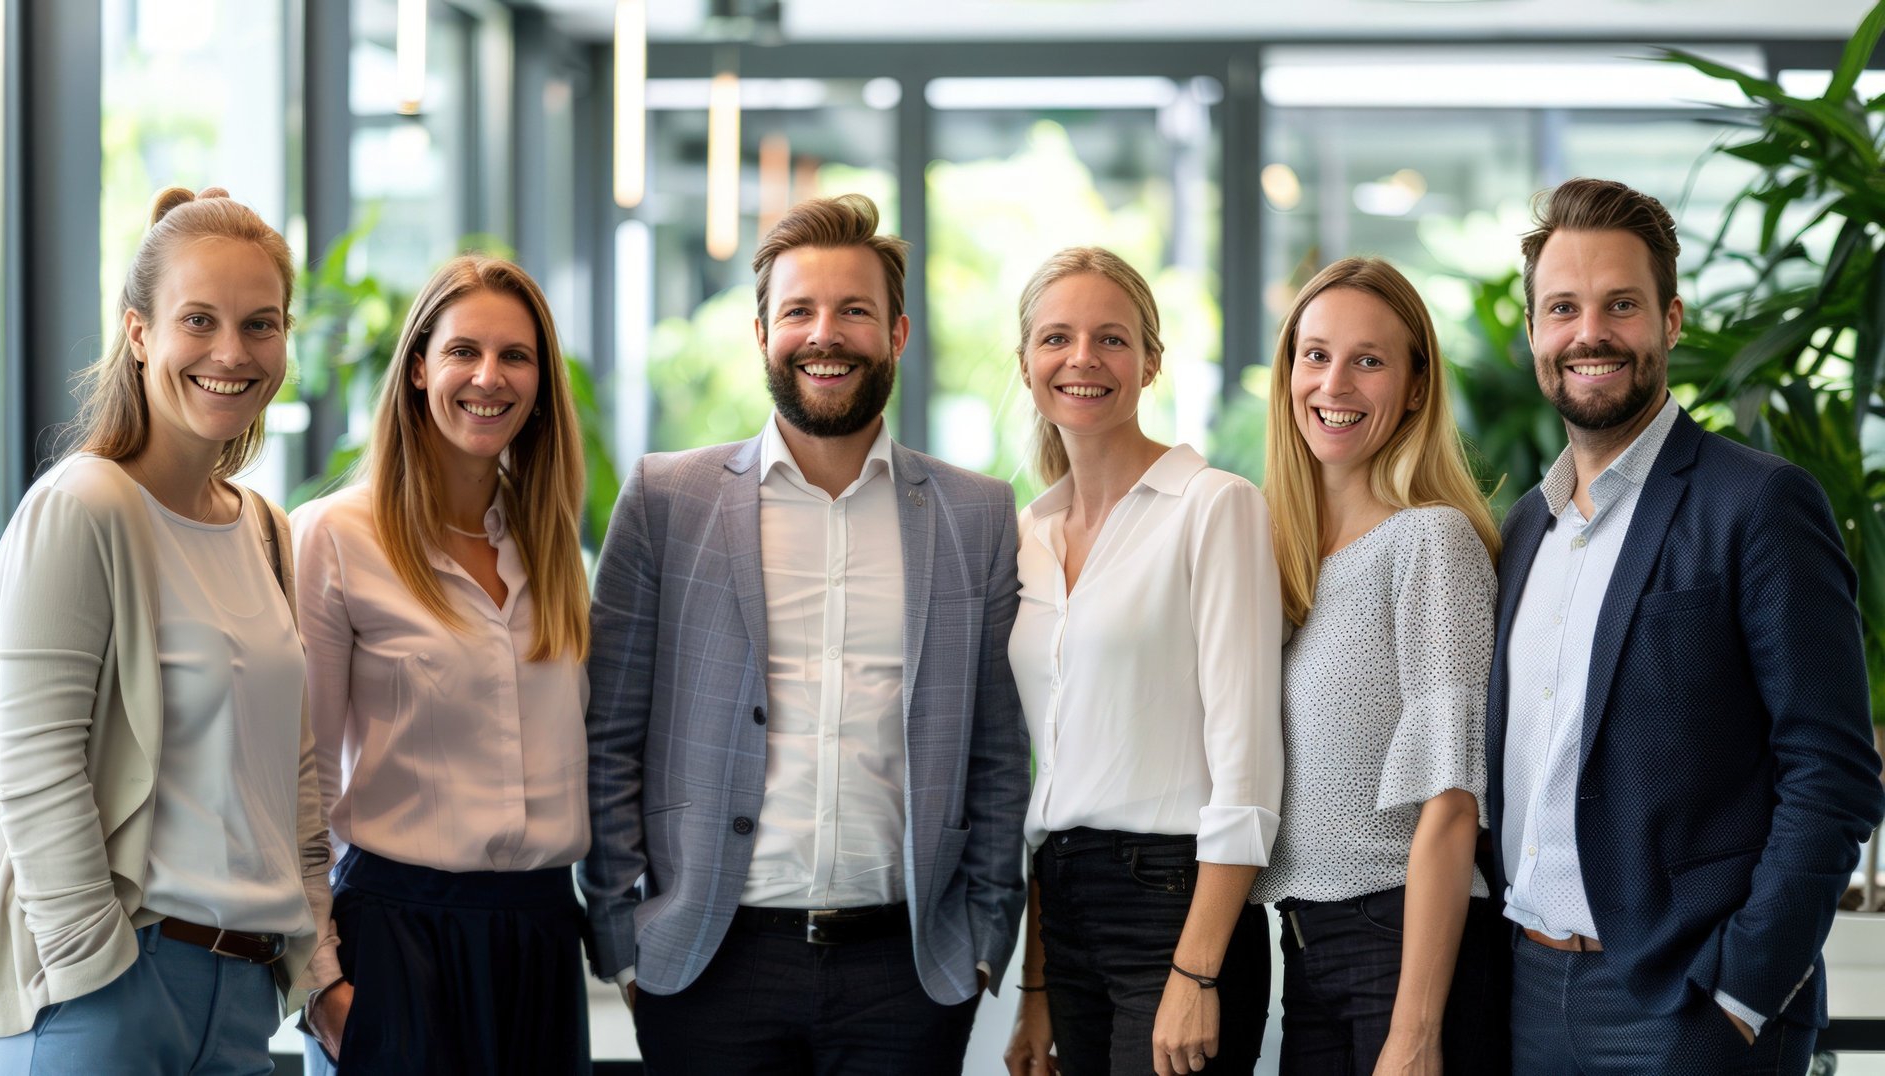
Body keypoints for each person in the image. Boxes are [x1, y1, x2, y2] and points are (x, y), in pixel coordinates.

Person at [582, 193, 1028, 1074]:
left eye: (853, 311)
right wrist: (624, 935)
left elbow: (999, 752)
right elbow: (608, 736)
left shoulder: (976, 514)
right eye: (799, 311)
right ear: (762, 334)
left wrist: (983, 940)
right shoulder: (668, 500)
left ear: (896, 335)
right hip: (708, 963)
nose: (826, 335)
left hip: (906, 973)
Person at [1489, 177, 1885, 1074]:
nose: (1590, 333)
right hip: (1525, 995)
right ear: (1536, 334)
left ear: (1670, 320)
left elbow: (1832, 774)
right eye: (1563, 308)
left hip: (1684, 1008)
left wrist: (1741, 1000)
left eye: (1620, 304)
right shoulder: (1522, 529)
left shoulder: (1760, 504)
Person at [0, 186, 335, 1073]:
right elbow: (34, 767)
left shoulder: (265, 530)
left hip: (245, 995)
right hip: (110, 990)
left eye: (261, 324)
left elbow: (293, 778)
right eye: (197, 320)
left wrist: (311, 964)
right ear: (139, 333)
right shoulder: (85, 505)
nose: (231, 353)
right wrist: (98, 972)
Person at [291, 254, 593, 1074]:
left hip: (538, 937)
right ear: (419, 367)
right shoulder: (335, 537)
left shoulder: (553, 548)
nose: (488, 378)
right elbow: (297, 782)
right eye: (464, 351)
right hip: (395, 938)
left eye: (515, 356)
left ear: (539, 384)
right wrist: (321, 982)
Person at [1002, 247, 1282, 1076]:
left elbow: (1248, 768)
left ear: (1151, 360)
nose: (1082, 359)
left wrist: (1197, 970)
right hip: (1065, 911)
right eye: (1056, 338)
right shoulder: (1028, 537)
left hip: (1175, 903)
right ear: (1026, 364)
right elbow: (1052, 781)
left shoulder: (1214, 507)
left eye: (1111, 338)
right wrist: (1036, 985)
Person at [1249, 256, 1507, 1075]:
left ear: (1417, 387)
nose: (1336, 383)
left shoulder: (1430, 541)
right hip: (1306, 942)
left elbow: (1454, 805)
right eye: (1316, 354)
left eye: (1370, 359)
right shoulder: (1284, 558)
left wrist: (1415, 1030)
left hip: (1402, 953)